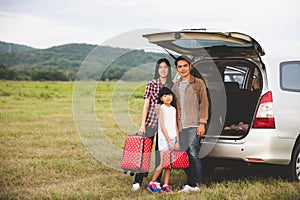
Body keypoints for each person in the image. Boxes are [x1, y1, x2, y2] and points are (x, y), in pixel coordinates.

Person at [132, 58, 173, 191]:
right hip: (151, 122)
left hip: (164, 126)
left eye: (166, 67)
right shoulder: (151, 84)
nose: (163, 69)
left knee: (160, 153)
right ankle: (138, 181)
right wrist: (142, 125)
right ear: (157, 69)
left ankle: (157, 182)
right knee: (144, 153)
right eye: (160, 67)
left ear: (169, 69)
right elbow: (146, 105)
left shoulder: (172, 84)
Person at [172, 56, 209, 192]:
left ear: (190, 67)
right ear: (177, 69)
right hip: (181, 125)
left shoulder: (198, 83)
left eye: (185, 66)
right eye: (179, 66)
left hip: (194, 124)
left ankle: (197, 184)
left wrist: (202, 123)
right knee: (185, 154)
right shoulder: (175, 85)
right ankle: (190, 182)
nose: (182, 69)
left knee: (194, 154)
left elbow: (204, 104)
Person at [147, 87, 179, 194]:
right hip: (164, 139)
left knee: (169, 165)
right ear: (161, 98)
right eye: (165, 96)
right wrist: (169, 141)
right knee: (162, 163)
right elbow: (163, 126)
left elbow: (175, 125)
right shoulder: (161, 108)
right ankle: (152, 183)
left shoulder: (173, 109)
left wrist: (177, 140)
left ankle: (165, 185)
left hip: (173, 138)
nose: (168, 97)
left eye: (169, 95)